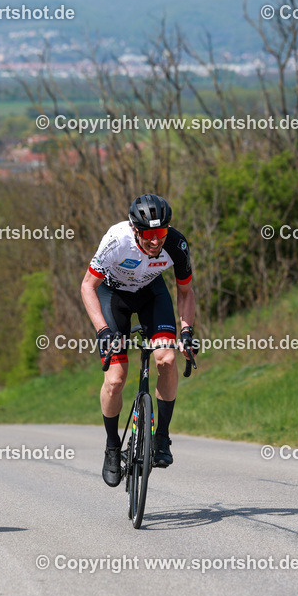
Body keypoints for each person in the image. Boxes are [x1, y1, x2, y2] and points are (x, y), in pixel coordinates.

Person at [80, 194, 197, 487]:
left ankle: (162, 438)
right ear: (135, 230)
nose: (156, 241)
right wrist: (103, 330)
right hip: (113, 295)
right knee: (116, 379)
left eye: (161, 233)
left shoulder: (175, 244)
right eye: (148, 235)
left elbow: (186, 292)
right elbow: (87, 286)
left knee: (167, 360)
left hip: (150, 294)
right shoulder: (116, 241)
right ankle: (111, 446)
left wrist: (186, 332)